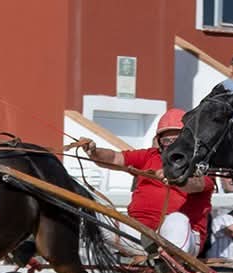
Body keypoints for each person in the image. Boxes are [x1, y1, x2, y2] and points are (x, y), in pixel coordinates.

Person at [78, 109, 213, 256]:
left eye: (177, 139)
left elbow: (198, 184)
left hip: (183, 239)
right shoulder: (149, 156)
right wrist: (94, 152)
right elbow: (115, 158)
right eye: (167, 141)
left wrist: (175, 178)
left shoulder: (200, 162)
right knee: (94, 215)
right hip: (140, 235)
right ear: (159, 142)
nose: (172, 145)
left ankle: (168, 260)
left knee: (177, 219)